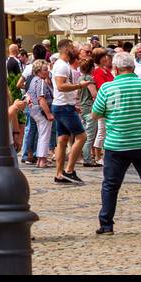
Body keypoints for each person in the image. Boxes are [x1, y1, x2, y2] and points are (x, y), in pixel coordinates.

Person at [90, 50, 141, 234]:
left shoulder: (107, 88)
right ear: (133, 67)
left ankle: (106, 224)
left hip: (117, 143)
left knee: (110, 185)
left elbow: (95, 114)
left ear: (116, 68)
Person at [50, 40, 90, 185]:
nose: (75, 49)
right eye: (72, 47)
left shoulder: (62, 65)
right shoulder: (61, 65)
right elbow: (61, 86)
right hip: (63, 107)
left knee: (62, 140)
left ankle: (59, 174)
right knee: (81, 137)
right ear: (66, 49)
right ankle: (69, 171)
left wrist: (73, 103)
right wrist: (80, 85)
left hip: (62, 105)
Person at [26, 60, 54, 168]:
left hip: (34, 110)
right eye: (45, 70)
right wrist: (48, 114)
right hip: (41, 111)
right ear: (38, 71)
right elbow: (41, 98)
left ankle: (39, 159)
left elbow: (28, 94)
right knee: (44, 135)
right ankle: (42, 159)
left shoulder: (33, 80)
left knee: (41, 134)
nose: (47, 71)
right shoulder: (41, 81)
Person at [89, 49, 114, 166]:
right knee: (102, 130)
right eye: (104, 56)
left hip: (110, 103)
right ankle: (98, 155)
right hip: (104, 104)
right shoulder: (98, 71)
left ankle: (100, 154)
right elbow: (101, 88)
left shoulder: (105, 70)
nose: (106, 58)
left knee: (104, 130)